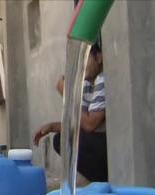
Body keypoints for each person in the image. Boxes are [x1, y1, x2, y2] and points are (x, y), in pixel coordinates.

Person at [33, 44, 108, 182]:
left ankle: (105, 179)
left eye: (85, 59)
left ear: (98, 58)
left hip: (109, 143)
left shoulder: (102, 79)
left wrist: (67, 94)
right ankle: (100, 181)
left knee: (67, 139)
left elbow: (90, 125)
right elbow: (81, 121)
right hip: (98, 139)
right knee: (60, 139)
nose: (81, 66)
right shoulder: (86, 84)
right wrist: (52, 127)